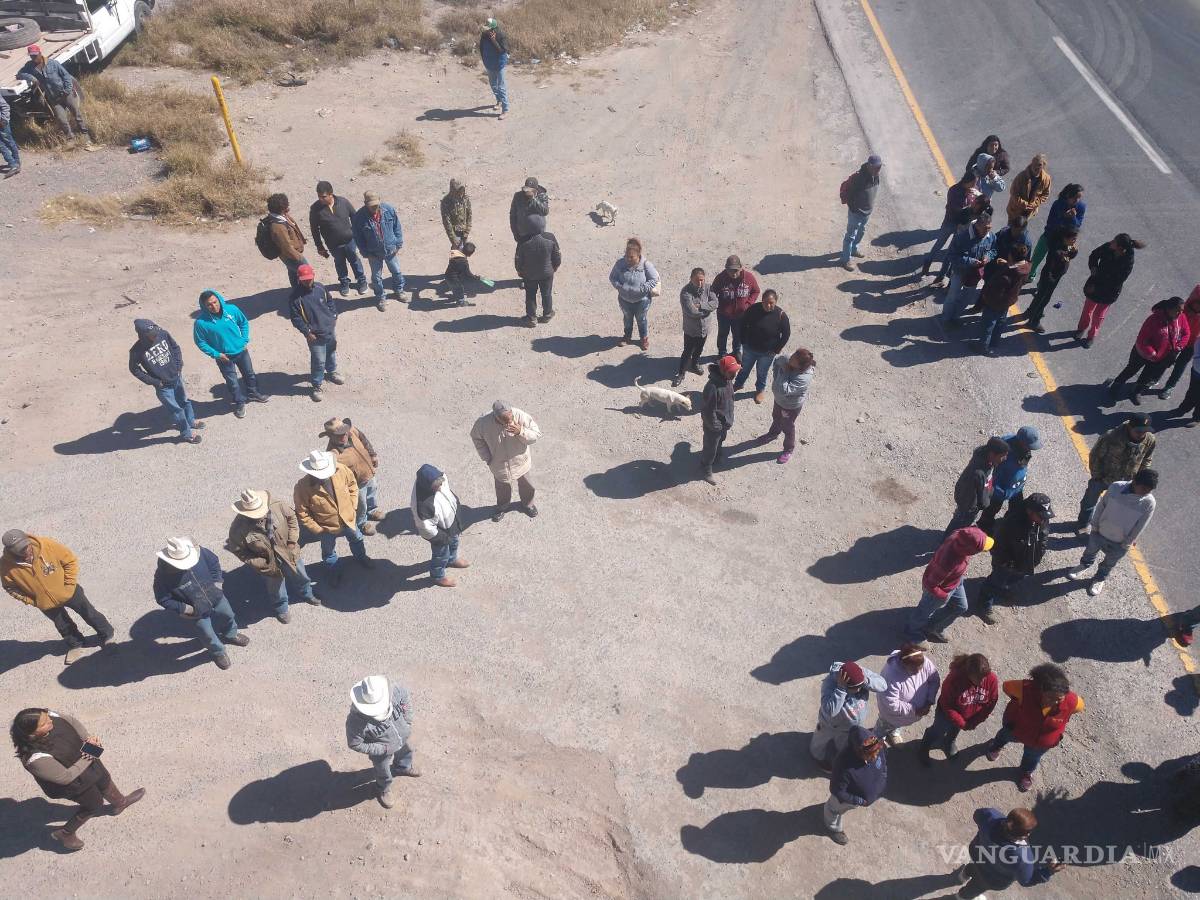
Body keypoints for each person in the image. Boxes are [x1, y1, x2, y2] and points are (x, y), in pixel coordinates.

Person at [11, 708, 145, 851]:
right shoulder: (35, 759)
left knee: (104, 779)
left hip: (85, 759)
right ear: (32, 734)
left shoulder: (47, 715)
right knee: (94, 804)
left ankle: (120, 803)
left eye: (47, 717)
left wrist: (87, 738)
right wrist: (90, 754)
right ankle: (65, 833)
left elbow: (71, 721)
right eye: (44, 723)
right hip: (73, 783)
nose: (50, 720)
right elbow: (65, 777)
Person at [2, 530, 113, 666]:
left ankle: (107, 636)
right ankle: (76, 644)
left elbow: (70, 561)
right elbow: (9, 587)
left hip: (70, 591)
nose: (27, 550)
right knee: (62, 625)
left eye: (26, 545)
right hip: (45, 602)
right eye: (21, 550)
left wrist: (69, 585)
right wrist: (33, 601)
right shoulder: (5, 566)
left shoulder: (47, 545)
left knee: (89, 613)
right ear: (11, 551)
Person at [153, 537, 248, 670]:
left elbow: (213, 562)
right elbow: (163, 598)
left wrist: (217, 583)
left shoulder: (200, 553)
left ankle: (231, 634)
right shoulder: (163, 577)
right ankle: (218, 652)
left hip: (215, 596)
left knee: (228, 614)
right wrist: (185, 609)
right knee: (206, 632)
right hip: (195, 610)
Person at [985, 663, 1083, 791]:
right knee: (1004, 736)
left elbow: (1078, 708)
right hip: (1016, 728)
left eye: (1059, 699)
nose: (1053, 702)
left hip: (1041, 742)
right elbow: (1006, 687)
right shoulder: (1024, 689)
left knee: (1032, 757)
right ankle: (996, 746)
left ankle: (1026, 772)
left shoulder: (1074, 701)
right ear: (1040, 689)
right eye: (1049, 697)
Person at [226, 488, 317, 623]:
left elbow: (292, 518)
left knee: (300, 575)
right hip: (267, 563)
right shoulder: (238, 529)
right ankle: (281, 608)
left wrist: (292, 541)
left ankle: (307, 593)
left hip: (289, 552)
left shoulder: (278, 505)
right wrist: (259, 562)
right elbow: (239, 550)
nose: (259, 516)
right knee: (275, 587)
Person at [1068, 469, 1157, 596]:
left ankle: (1100, 578)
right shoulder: (1116, 487)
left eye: (1149, 491)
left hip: (1120, 542)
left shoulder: (1149, 502)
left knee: (1109, 563)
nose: (1145, 493)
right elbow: (1101, 506)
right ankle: (1084, 565)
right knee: (1090, 552)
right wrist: (1095, 525)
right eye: (1143, 489)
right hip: (1100, 532)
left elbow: (1141, 525)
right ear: (1135, 481)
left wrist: (1127, 542)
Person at [294, 450, 371, 584]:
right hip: (325, 528)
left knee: (357, 539)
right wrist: (318, 530)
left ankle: (361, 557)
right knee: (329, 553)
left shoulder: (341, 470)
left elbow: (352, 485)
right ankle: (334, 572)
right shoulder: (302, 487)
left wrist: (353, 506)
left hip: (348, 519)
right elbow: (302, 512)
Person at [977, 493, 1053, 626]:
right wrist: (1005, 563)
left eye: (1045, 516)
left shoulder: (1041, 519)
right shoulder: (1012, 523)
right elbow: (998, 545)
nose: (1044, 519)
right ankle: (984, 603)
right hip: (1007, 564)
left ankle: (1002, 588)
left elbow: (1043, 536)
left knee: (1015, 579)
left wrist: (1037, 557)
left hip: (1025, 563)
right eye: (1040, 516)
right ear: (1029, 511)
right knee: (995, 581)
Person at [906, 527, 992, 643]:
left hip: (955, 581)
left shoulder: (958, 536)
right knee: (923, 612)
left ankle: (933, 627)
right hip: (938, 592)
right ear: (969, 550)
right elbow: (930, 584)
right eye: (980, 549)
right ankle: (913, 634)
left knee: (961, 607)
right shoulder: (947, 562)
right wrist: (943, 595)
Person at [345, 675, 420, 810]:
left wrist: (407, 720)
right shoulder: (355, 721)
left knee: (406, 751)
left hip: (402, 737)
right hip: (381, 752)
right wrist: (382, 749)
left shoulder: (394, 691)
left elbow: (405, 697)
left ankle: (403, 767)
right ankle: (383, 789)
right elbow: (355, 743)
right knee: (383, 770)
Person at [952, 808, 1064, 897]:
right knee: (974, 888)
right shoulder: (1023, 858)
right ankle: (961, 897)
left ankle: (962, 876)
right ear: (1025, 835)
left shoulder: (990, 816)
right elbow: (1026, 880)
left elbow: (977, 815)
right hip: (992, 878)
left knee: (973, 867)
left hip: (977, 855)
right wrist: (1048, 871)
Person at [193, 289, 268, 419]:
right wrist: (216, 354)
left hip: (241, 351)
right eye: (209, 305)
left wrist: (244, 340)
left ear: (219, 299)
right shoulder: (201, 323)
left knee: (249, 374)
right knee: (232, 381)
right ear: (204, 306)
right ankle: (239, 402)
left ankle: (253, 393)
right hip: (224, 357)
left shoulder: (232, 310)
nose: (213, 306)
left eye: (215, 302)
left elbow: (243, 322)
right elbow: (200, 342)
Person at [128, 319, 203, 444]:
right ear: (143, 335)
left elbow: (175, 348)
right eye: (152, 335)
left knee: (184, 401)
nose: (155, 335)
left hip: (176, 377)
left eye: (156, 332)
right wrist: (154, 382)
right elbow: (134, 369)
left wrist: (179, 366)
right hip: (163, 387)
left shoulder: (163, 334)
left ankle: (191, 421)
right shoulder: (137, 350)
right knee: (176, 410)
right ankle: (187, 433)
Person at [1076, 413, 1155, 531]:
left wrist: (1139, 479)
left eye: (1145, 431)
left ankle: (1105, 529)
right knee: (1089, 502)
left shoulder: (1150, 440)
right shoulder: (1111, 436)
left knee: (1117, 508)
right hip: (1104, 478)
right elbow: (1095, 455)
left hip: (1127, 482)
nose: (1142, 434)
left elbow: (1147, 458)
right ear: (1129, 427)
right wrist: (1097, 476)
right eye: (1138, 431)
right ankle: (1083, 524)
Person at [1105, 297, 1191, 405]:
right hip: (1142, 354)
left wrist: (1179, 347)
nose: (1180, 313)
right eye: (1177, 310)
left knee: (1147, 376)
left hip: (1161, 357)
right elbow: (1142, 339)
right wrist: (1152, 354)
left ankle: (1136, 391)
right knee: (1131, 370)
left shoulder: (1181, 318)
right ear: (1169, 308)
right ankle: (1116, 386)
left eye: (1182, 310)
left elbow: (1186, 333)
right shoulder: (1153, 319)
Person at [919, 653, 998, 765]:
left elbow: (991, 702)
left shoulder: (991, 679)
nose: (982, 682)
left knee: (955, 730)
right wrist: (962, 723)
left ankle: (949, 742)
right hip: (946, 714)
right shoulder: (954, 679)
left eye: (984, 678)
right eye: (978, 679)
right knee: (938, 731)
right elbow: (947, 705)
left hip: (967, 717)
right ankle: (924, 746)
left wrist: (974, 721)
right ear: (969, 674)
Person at [470, 401, 541, 521]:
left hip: (520, 461)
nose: (509, 422)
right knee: (502, 488)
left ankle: (528, 504)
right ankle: (502, 507)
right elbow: (476, 438)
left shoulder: (520, 415)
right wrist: (486, 457)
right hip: (499, 464)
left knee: (527, 485)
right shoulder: (482, 423)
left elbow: (536, 434)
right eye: (505, 421)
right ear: (496, 417)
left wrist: (521, 431)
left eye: (511, 418)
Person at [811, 661, 886, 770]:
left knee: (842, 744)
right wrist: (841, 689)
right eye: (856, 687)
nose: (859, 690)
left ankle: (838, 754)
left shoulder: (859, 672)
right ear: (845, 684)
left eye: (861, 686)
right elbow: (830, 710)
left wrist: (864, 680)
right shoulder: (829, 684)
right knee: (820, 741)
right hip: (830, 725)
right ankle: (817, 755)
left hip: (849, 728)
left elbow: (883, 685)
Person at [1076, 234, 1146, 347]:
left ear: (1120, 248)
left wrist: (1096, 286)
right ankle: (1081, 328)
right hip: (1096, 282)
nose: (1111, 242)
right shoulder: (1108, 247)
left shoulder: (1128, 260)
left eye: (1114, 242)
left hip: (1109, 291)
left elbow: (1118, 280)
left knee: (1098, 315)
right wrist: (1093, 268)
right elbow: (1094, 255)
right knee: (1087, 309)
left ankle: (1091, 336)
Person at [824, 725, 887, 846]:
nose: (875, 757)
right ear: (859, 751)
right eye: (870, 755)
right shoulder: (843, 765)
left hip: (861, 798)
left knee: (842, 808)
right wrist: (859, 801)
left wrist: (884, 775)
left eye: (876, 752)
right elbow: (837, 790)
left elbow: (883, 762)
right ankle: (832, 827)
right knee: (833, 809)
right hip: (848, 800)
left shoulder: (876, 747)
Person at [289, 263, 343, 402]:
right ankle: (317, 385)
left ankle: (332, 372)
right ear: (299, 279)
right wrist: (307, 332)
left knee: (331, 351)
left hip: (329, 329)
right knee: (318, 360)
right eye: (304, 279)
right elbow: (296, 318)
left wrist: (334, 315)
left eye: (309, 278)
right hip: (314, 335)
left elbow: (330, 301)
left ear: (313, 276)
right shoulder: (295, 297)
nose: (307, 281)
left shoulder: (320, 288)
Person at [321, 418, 384, 536]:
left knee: (372, 491)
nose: (344, 435)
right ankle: (362, 522)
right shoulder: (333, 453)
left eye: (344, 431)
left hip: (369, 472)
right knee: (361, 504)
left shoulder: (352, 431)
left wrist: (373, 455)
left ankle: (372, 510)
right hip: (357, 483)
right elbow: (331, 475)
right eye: (339, 434)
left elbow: (364, 440)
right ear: (330, 436)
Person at [411, 464, 468, 588]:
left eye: (440, 483)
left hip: (451, 523)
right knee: (441, 555)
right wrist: (440, 538)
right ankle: (437, 576)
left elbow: (446, 488)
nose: (440, 486)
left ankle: (452, 559)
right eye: (436, 486)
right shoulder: (423, 506)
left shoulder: (439, 478)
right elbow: (426, 528)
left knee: (454, 542)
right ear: (428, 486)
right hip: (439, 533)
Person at [17, 45, 89, 141]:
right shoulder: (30, 66)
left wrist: (67, 90)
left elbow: (66, 76)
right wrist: (31, 77)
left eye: (35, 55)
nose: (33, 58)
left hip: (67, 94)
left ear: (40, 53)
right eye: (31, 56)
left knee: (77, 114)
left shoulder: (53, 63)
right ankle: (70, 138)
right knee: (61, 119)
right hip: (54, 98)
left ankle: (85, 133)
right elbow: (20, 74)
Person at [874, 644, 940, 746]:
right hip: (892, 715)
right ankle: (877, 740)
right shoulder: (890, 675)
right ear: (904, 664)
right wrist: (914, 710)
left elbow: (934, 679)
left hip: (907, 716)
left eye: (921, 668)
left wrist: (929, 701)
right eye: (914, 670)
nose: (918, 672)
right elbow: (891, 703)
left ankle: (894, 732)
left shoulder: (922, 661)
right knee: (883, 726)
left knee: (898, 724)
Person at [977, 426, 1040, 533]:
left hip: (1016, 488)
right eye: (1029, 446)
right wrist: (998, 490)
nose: (1030, 449)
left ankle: (1009, 523)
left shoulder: (1021, 448)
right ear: (1022, 443)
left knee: (1016, 509)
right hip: (999, 490)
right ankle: (984, 527)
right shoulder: (1005, 452)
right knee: (992, 509)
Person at [309, 181, 366, 296]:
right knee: (339, 263)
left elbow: (355, 218)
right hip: (333, 245)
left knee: (355, 261)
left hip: (350, 241)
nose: (320, 199)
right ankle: (344, 282)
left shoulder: (343, 202)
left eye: (323, 196)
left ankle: (361, 280)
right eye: (319, 196)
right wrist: (319, 246)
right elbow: (314, 230)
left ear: (331, 194)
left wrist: (358, 235)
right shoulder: (315, 209)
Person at [759, 348, 815, 464]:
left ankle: (788, 449)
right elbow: (777, 361)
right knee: (776, 417)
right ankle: (773, 434)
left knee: (787, 426)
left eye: (793, 359)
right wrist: (776, 377)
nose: (790, 358)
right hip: (779, 401)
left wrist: (784, 373)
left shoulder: (804, 377)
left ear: (800, 366)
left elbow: (784, 390)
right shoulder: (788, 359)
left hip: (790, 407)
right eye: (793, 355)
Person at [733, 290, 790, 402]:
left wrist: (776, 349)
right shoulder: (753, 309)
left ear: (776, 302)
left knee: (762, 372)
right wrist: (743, 341)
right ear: (762, 301)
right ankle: (738, 384)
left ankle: (760, 390)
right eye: (765, 302)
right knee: (744, 368)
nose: (768, 305)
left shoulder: (781, 315)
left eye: (771, 303)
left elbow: (786, 334)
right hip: (749, 348)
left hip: (767, 353)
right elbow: (743, 324)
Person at [920, 170, 979, 278]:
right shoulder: (954, 190)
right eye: (973, 183)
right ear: (967, 181)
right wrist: (968, 203)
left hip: (961, 225)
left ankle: (942, 274)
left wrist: (974, 198)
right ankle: (927, 264)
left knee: (951, 250)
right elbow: (955, 209)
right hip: (950, 222)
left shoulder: (971, 191)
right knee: (939, 244)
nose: (975, 186)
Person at [941, 211, 995, 327]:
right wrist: (970, 261)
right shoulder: (962, 237)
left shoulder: (990, 237)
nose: (987, 231)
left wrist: (988, 256)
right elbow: (952, 255)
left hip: (974, 275)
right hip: (959, 272)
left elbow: (994, 250)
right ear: (978, 225)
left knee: (967, 297)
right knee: (952, 296)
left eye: (989, 228)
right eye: (985, 228)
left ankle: (955, 317)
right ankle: (946, 319)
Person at [945, 437, 1010, 535]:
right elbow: (981, 495)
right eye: (1002, 456)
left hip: (969, 502)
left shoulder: (987, 459)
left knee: (960, 524)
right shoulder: (979, 472)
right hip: (968, 505)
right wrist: (985, 503)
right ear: (992, 454)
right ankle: (948, 541)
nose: (1005, 459)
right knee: (959, 525)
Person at [352, 191, 404, 310]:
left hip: (390, 250)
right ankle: (381, 297)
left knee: (396, 271)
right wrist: (365, 253)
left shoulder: (389, 210)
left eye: (376, 204)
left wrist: (398, 243)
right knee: (376, 277)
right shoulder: (359, 217)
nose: (374, 207)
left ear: (379, 200)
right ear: (365, 203)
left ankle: (399, 290)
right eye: (371, 205)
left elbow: (397, 227)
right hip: (373, 253)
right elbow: (358, 238)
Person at [975, 244, 1031, 356]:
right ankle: (994, 342)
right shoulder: (1025, 268)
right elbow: (1017, 270)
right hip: (1008, 300)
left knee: (988, 324)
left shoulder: (1006, 275)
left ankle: (982, 347)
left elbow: (994, 287)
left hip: (995, 301)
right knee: (1000, 321)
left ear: (1011, 256)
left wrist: (986, 296)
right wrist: (1008, 264)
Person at [1023, 225, 1078, 333]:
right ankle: (1034, 321)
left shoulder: (1066, 246)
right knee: (1043, 299)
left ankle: (1031, 311)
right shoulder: (1057, 251)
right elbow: (1054, 264)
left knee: (1040, 297)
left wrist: (1073, 251)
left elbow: (1070, 256)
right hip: (1050, 277)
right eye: (1073, 239)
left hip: (1055, 277)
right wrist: (1050, 279)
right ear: (1065, 238)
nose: (1074, 241)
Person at [608, 237, 660, 351]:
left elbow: (654, 279)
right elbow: (612, 277)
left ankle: (643, 339)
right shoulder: (620, 263)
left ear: (638, 255)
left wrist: (643, 288)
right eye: (627, 256)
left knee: (641, 319)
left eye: (632, 257)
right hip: (624, 299)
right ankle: (627, 337)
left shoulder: (646, 265)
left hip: (642, 301)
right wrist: (620, 287)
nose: (628, 259)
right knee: (627, 318)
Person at [1029, 183, 1086, 279]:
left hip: (1064, 242)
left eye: (1079, 198)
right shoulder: (1058, 204)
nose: (1077, 201)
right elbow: (1051, 222)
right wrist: (1064, 216)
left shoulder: (1081, 207)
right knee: (1036, 258)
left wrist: (1073, 218)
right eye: (1075, 198)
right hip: (1049, 235)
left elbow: (1077, 225)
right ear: (1068, 195)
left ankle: (1044, 282)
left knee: (1054, 264)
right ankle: (1030, 275)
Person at [674, 267, 719, 387]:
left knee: (699, 348)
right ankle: (681, 373)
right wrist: (707, 310)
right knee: (687, 351)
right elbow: (692, 312)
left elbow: (715, 303)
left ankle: (694, 364)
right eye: (697, 280)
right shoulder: (685, 292)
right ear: (691, 279)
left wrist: (701, 305)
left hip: (704, 328)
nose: (700, 283)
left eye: (702, 280)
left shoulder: (708, 288)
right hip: (691, 329)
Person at [1153, 286, 1200, 401]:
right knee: (1166, 357)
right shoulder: (1198, 290)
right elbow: (1192, 302)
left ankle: (1170, 386)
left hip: (1192, 342)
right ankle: (1155, 378)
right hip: (1177, 335)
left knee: (1180, 365)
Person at [710, 255, 760, 360]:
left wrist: (748, 304)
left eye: (736, 270)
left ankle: (736, 351)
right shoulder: (720, 278)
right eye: (730, 270)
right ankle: (722, 352)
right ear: (726, 269)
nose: (733, 273)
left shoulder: (749, 277)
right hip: (723, 314)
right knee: (723, 334)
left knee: (738, 334)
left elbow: (756, 291)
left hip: (741, 315)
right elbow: (712, 291)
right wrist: (716, 302)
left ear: (741, 268)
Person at [699, 355, 739, 485]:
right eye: (731, 372)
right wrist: (715, 426)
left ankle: (717, 454)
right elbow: (707, 411)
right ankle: (706, 467)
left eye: (735, 371)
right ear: (723, 371)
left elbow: (730, 399)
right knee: (710, 447)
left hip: (724, 422)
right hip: (713, 426)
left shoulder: (728, 380)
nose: (734, 374)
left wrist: (729, 419)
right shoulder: (712, 387)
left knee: (720, 440)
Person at [839, 154, 882, 270]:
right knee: (850, 236)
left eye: (879, 167)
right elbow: (850, 195)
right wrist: (854, 209)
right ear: (869, 165)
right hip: (856, 213)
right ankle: (845, 260)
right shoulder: (858, 179)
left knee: (861, 231)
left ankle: (853, 249)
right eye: (876, 167)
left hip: (866, 213)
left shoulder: (876, 175)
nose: (878, 169)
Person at [515, 227, 561, 326]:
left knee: (530, 295)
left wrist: (520, 272)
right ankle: (547, 314)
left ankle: (531, 318)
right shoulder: (550, 237)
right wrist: (554, 267)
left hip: (529, 275)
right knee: (546, 294)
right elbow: (557, 255)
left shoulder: (523, 240)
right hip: (547, 273)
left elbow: (518, 259)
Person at [266, 193, 309, 289]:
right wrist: (300, 259)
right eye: (287, 205)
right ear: (282, 208)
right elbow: (287, 248)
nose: (288, 206)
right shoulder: (278, 227)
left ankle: (296, 289)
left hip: (290, 255)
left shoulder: (282, 217)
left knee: (293, 272)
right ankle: (305, 291)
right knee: (306, 273)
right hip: (291, 256)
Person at [1005, 155, 1051, 226]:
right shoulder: (1021, 176)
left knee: (1023, 227)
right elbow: (1013, 193)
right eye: (1034, 164)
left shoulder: (1046, 179)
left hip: (1029, 211)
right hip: (1015, 210)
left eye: (1039, 165)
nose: (1036, 167)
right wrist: (1024, 204)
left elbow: (1045, 194)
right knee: (1010, 228)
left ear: (1043, 166)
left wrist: (1035, 204)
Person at [479, 18, 510, 119]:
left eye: (488, 29)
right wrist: (484, 60)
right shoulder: (484, 35)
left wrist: (494, 41)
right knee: (493, 85)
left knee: (501, 87)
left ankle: (505, 110)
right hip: (489, 63)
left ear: (493, 29)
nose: (486, 30)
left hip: (499, 64)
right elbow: (481, 48)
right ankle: (499, 100)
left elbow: (503, 51)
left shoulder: (501, 35)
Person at [444, 241, 490, 307]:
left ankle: (456, 296)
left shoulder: (454, 253)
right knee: (459, 289)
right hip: (454, 279)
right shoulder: (463, 262)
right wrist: (477, 278)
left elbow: (454, 246)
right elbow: (468, 275)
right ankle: (461, 302)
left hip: (447, 275)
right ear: (470, 255)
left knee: (454, 288)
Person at [510, 177, 549, 241]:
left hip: (539, 234)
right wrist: (515, 233)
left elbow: (545, 211)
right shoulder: (518, 196)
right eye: (526, 189)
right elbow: (513, 215)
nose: (527, 192)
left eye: (531, 190)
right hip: (523, 234)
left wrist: (533, 199)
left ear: (536, 190)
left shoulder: (542, 195)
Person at [440, 178, 473, 248]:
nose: (461, 193)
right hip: (455, 233)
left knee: (465, 250)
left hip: (464, 231)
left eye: (462, 190)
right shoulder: (446, 202)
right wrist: (453, 239)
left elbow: (469, 214)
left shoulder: (465, 199)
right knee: (457, 252)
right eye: (459, 191)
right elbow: (447, 222)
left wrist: (467, 230)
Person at [0, 91, 20, 177]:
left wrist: (4, 120)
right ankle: (13, 163)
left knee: (9, 141)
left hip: (2, 123)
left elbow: (5, 106)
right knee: (1, 145)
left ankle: (15, 163)